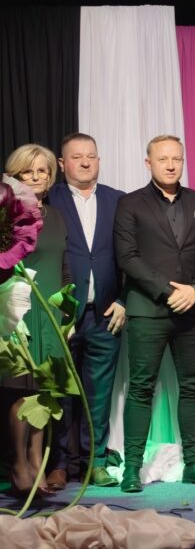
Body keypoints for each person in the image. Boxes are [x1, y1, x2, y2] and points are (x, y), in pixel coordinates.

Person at [114, 135, 195, 493]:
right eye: (163, 159)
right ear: (149, 163)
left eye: (176, 158)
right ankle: (132, 468)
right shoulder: (130, 203)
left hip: (194, 309)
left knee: (193, 387)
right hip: (148, 309)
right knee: (141, 388)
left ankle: (194, 462)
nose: (171, 164)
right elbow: (127, 257)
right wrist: (168, 290)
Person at [47, 133, 125, 490]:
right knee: (60, 393)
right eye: (76, 157)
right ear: (62, 164)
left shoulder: (118, 200)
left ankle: (97, 462)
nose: (85, 162)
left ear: (98, 160)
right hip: (62, 315)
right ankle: (61, 464)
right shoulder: (49, 199)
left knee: (100, 394)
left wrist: (124, 299)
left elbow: (130, 255)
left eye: (91, 156)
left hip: (106, 315)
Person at [3, 144, 69, 496]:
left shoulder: (55, 216)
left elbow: (63, 265)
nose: (36, 177)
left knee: (44, 392)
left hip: (51, 313)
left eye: (42, 170)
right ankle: (18, 464)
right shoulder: (8, 213)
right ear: (14, 176)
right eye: (27, 171)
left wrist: (67, 312)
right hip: (19, 311)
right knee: (21, 389)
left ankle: (36, 460)